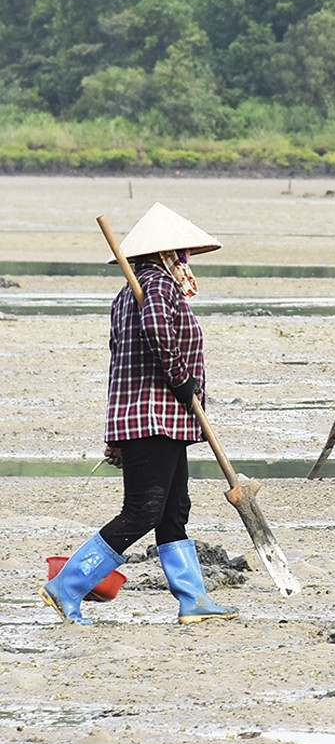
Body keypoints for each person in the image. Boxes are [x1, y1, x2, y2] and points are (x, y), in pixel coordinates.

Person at [40, 202, 239, 626]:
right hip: (153, 417)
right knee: (143, 511)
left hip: (159, 419)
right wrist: (181, 378)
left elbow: (119, 359)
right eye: (181, 255)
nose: (185, 262)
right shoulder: (157, 289)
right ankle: (67, 585)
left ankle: (193, 600)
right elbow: (156, 332)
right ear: (169, 255)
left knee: (174, 509)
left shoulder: (129, 293)